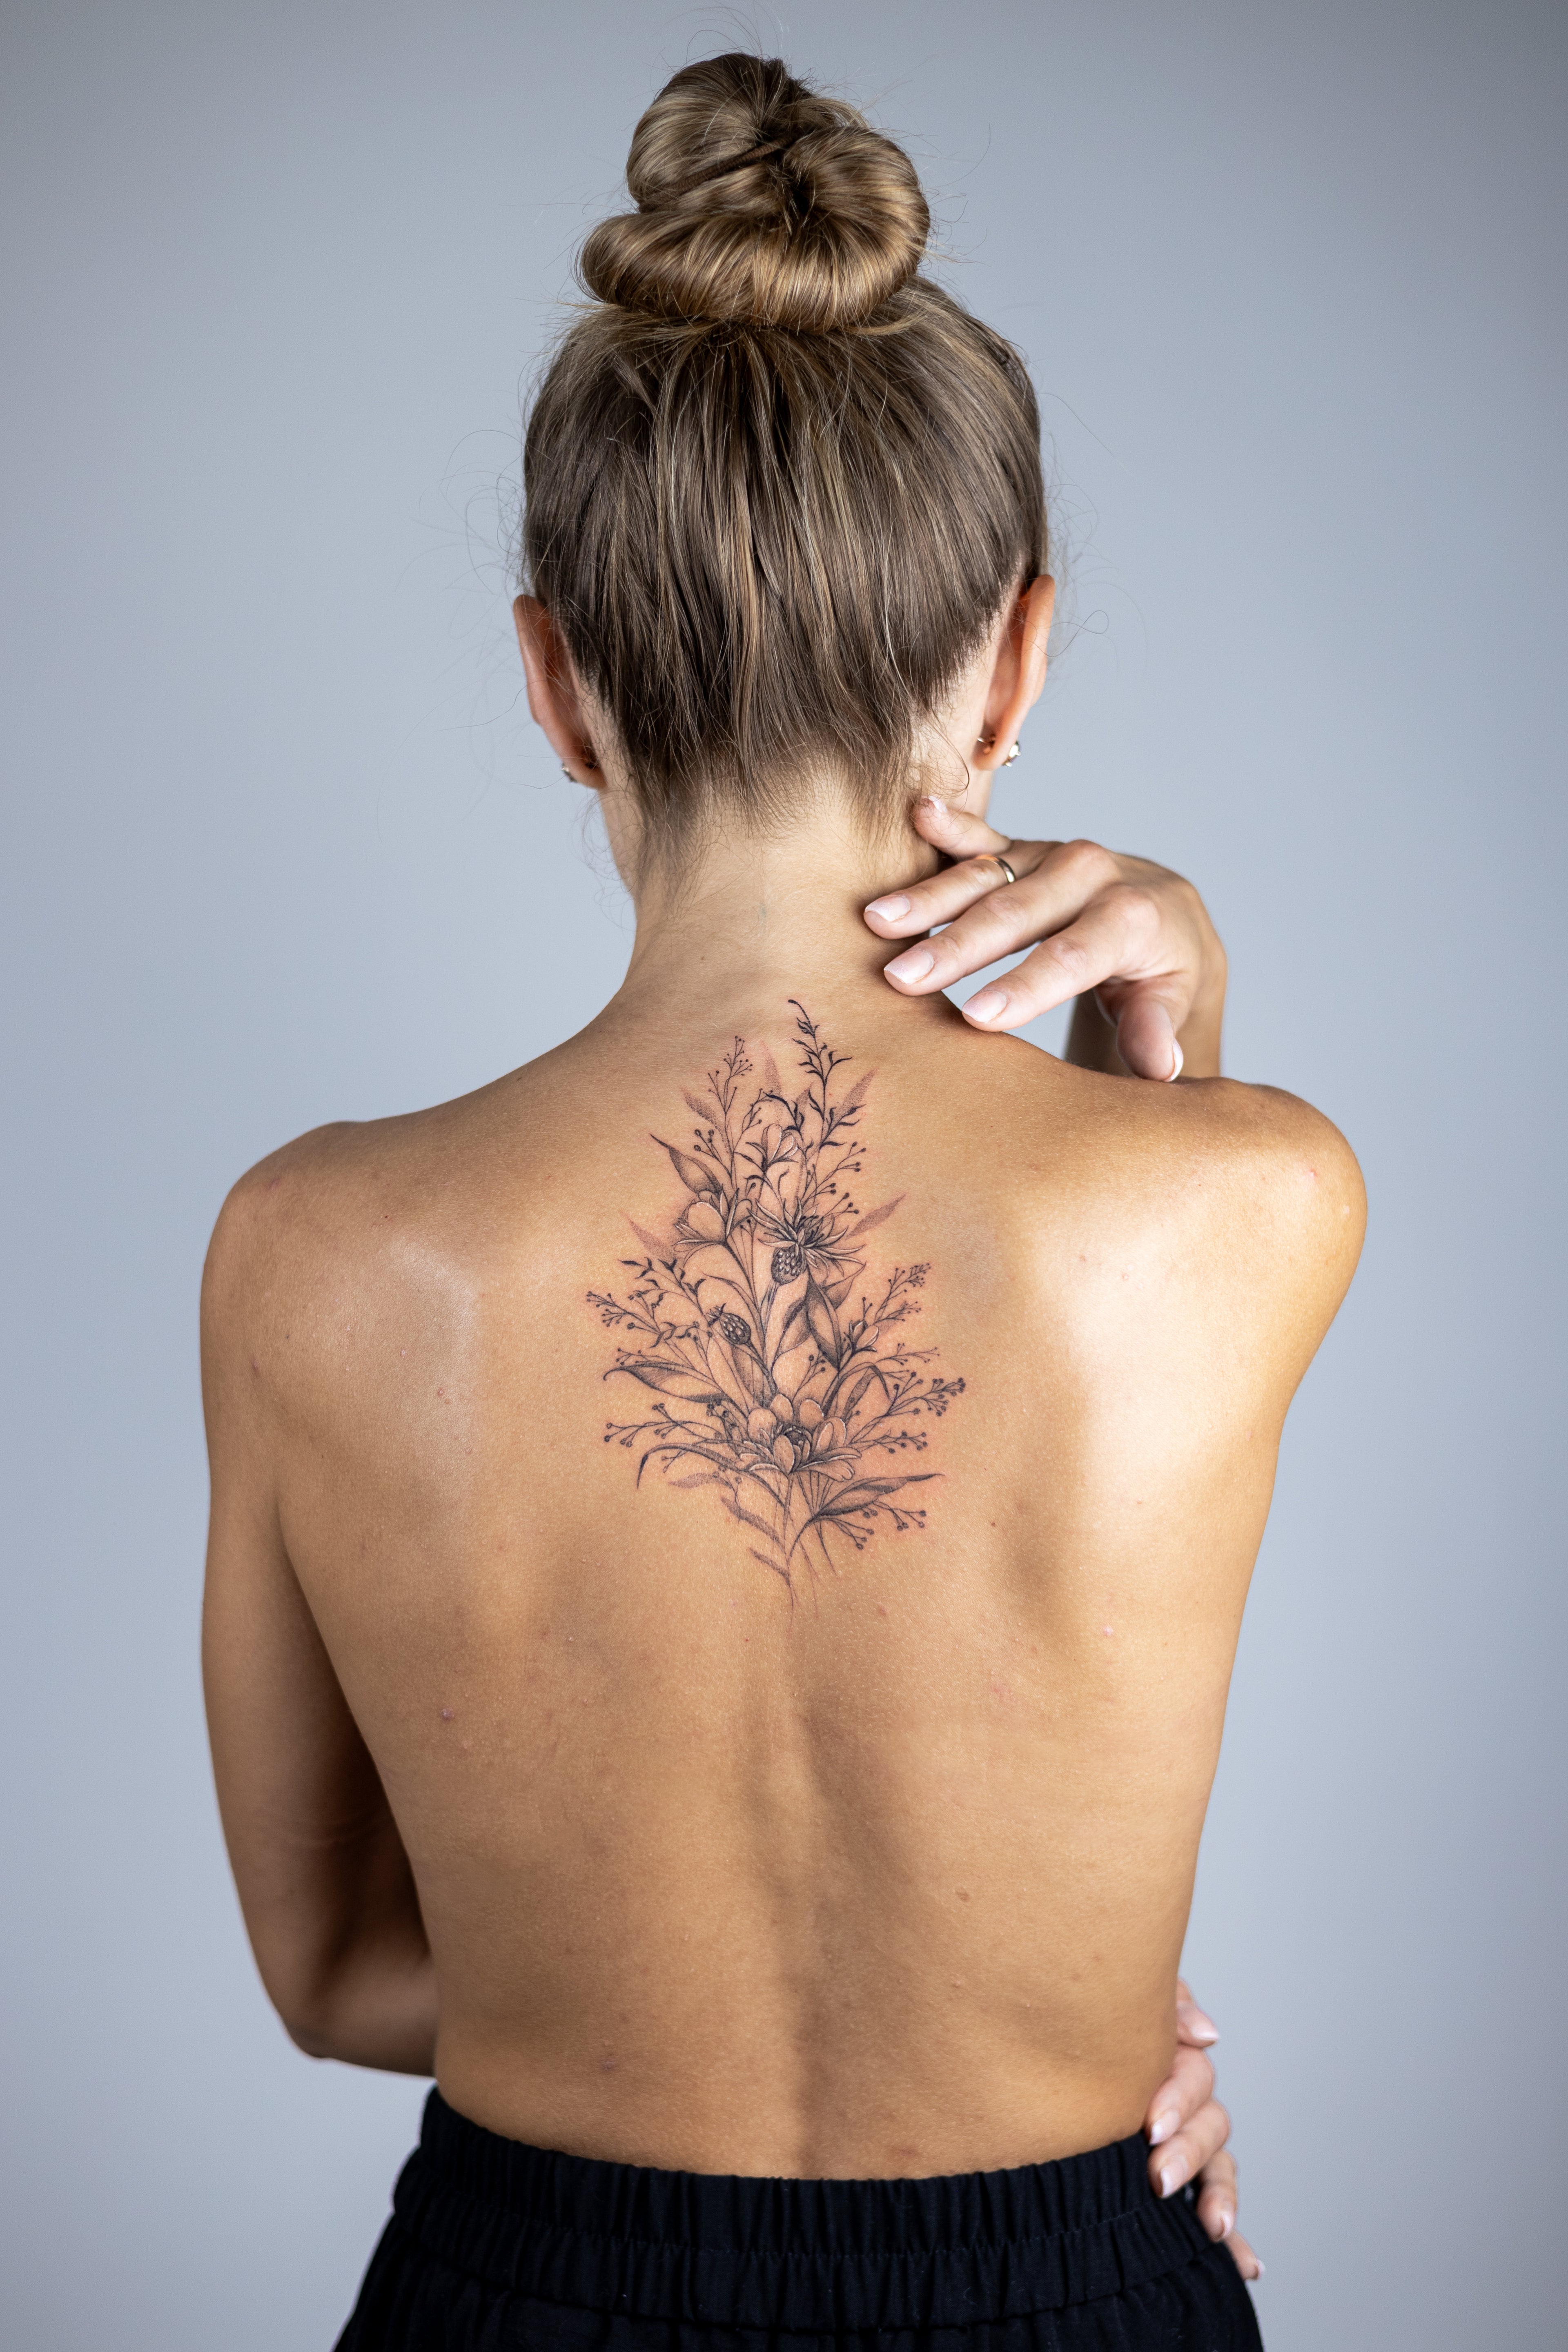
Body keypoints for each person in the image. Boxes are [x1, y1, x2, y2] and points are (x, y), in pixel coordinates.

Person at [201, 54, 1363, 2350]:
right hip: (1077, 2289)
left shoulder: (310, 1258)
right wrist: (1178, 1042)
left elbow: (334, 1974)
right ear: (1016, 663)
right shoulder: (1254, 1199)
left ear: (555, 685)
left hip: (524, 2296)